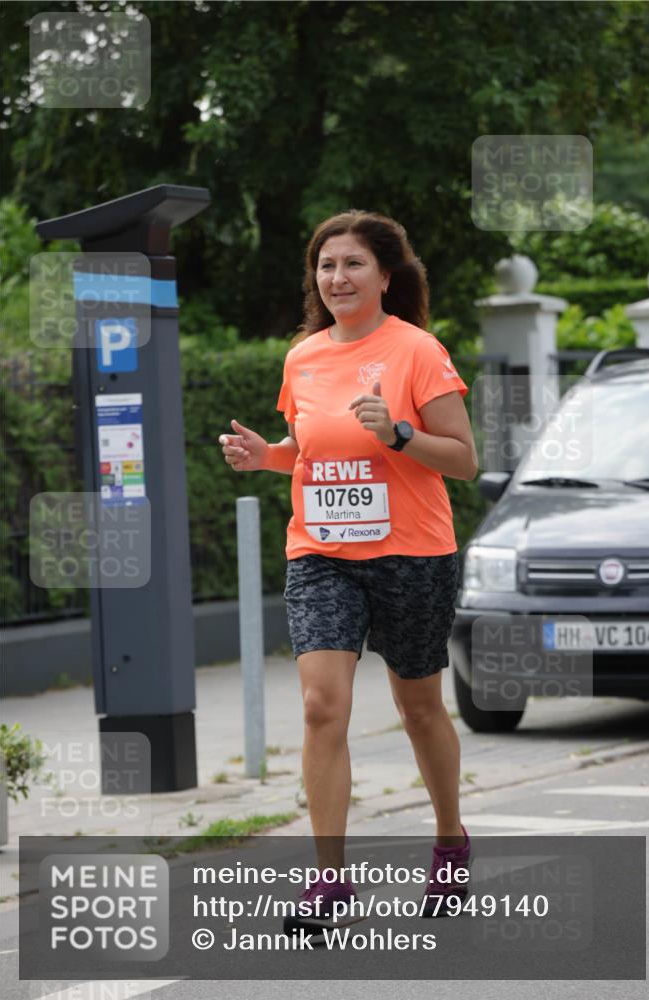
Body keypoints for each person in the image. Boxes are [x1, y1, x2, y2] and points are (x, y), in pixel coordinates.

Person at [219, 210, 477, 930]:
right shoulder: (302, 357)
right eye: (325, 265)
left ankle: (450, 841)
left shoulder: (417, 350)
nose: (336, 277)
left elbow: (462, 459)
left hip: (412, 552)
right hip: (323, 553)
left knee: (417, 706)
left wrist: (397, 432)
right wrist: (263, 456)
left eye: (353, 264)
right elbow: (305, 447)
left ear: (385, 276)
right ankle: (329, 880)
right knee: (318, 706)